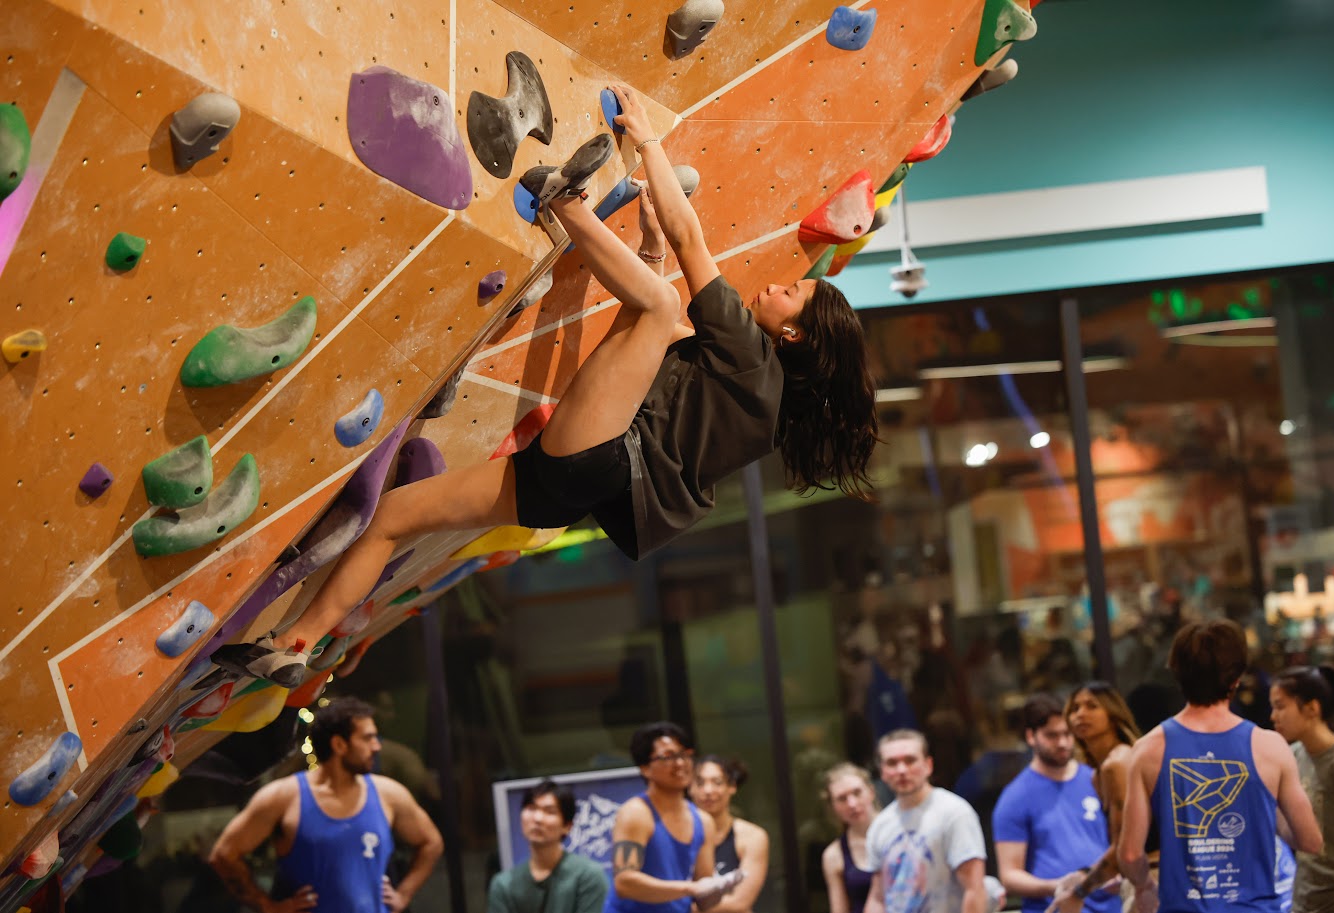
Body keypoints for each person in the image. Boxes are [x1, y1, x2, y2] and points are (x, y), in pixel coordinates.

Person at [212, 84, 879, 688]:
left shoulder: (752, 358)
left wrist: (648, 141)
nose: (777, 287)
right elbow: (639, 346)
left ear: (796, 335)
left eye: (792, 294)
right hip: (575, 484)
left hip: (598, 458)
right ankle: (292, 643)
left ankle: (561, 200)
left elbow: (689, 241)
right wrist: (647, 248)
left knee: (661, 306)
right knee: (392, 519)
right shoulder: (758, 403)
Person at [1117, 620, 1323, 912]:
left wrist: (1144, 887)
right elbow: (1310, 841)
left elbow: (1128, 855)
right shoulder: (1270, 747)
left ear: (1176, 672)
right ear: (1236, 677)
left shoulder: (1147, 749)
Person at [208, 696, 444, 913]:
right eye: (367, 738)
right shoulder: (282, 797)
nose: (377, 746)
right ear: (339, 745)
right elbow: (224, 855)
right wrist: (267, 906)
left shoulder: (389, 794)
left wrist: (403, 894)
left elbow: (431, 843)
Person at [993, 694, 1118, 913]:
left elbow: (1118, 840)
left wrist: (1116, 873)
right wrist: (1058, 886)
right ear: (1031, 736)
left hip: (1109, 906)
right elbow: (1010, 875)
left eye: (1067, 734)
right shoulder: (1015, 797)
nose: (1062, 743)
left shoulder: (1096, 779)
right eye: (1051, 735)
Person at [605, 722, 743, 913]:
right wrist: (689, 888)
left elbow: (703, 899)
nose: (680, 763)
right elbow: (625, 883)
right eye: (668, 757)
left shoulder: (703, 821)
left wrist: (720, 886)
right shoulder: (636, 812)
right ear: (645, 768)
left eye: (684, 754)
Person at [1269, 665, 1334, 913]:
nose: (1273, 716)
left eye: (1280, 706)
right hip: (1306, 899)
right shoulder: (1292, 755)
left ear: (1312, 708)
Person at [865, 729, 990, 913]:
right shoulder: (879, 825)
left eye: (910, 760)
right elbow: (878, 897)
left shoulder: (954, 813)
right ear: (882, 772)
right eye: (892, 763)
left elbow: (974, 889)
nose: (901, 770)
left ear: (928, 765)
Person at [1050, 682, 1144, 913]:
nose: (1080, 714)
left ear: (1113, 714)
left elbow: (1123, 848)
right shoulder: (1098, 773)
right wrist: (1085, 874)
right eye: (1075, 708)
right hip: (1138, 879)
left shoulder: (1117, 763)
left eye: (1092, 706)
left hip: (1153, 880)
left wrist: (1080, 891)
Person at [488, 779, 609, 913]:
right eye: (531, 808)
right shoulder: (504, 884)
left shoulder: (588, 877)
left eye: (550, 811)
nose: (537, 818)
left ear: (567, 826)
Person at [691, 756, 770, 913]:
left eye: (717, 782)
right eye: (700, 783)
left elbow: (739, 903)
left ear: (732, 786)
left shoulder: (752, 836)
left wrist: (680, 907)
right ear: (689, 788)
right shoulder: (676, 835)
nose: (708, 790)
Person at [819, 762, 881, 913]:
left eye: (857, 792)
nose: (852, 804)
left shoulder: (901, 832)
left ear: (871, 792)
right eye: (842, 798)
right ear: (833, 807)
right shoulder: (834, 854)